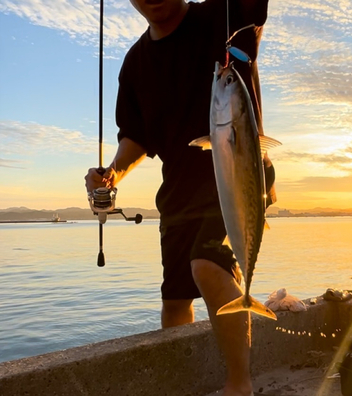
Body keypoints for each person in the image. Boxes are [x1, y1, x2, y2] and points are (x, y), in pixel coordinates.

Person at [84, 1, 276, 395]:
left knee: (206, 266)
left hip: (239, 177)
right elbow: (136, 135)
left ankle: (240, 386)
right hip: (178, 192)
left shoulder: (225, 14)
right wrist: (112, 173)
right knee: (174, 299)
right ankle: (182, 385)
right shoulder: (136, 62)